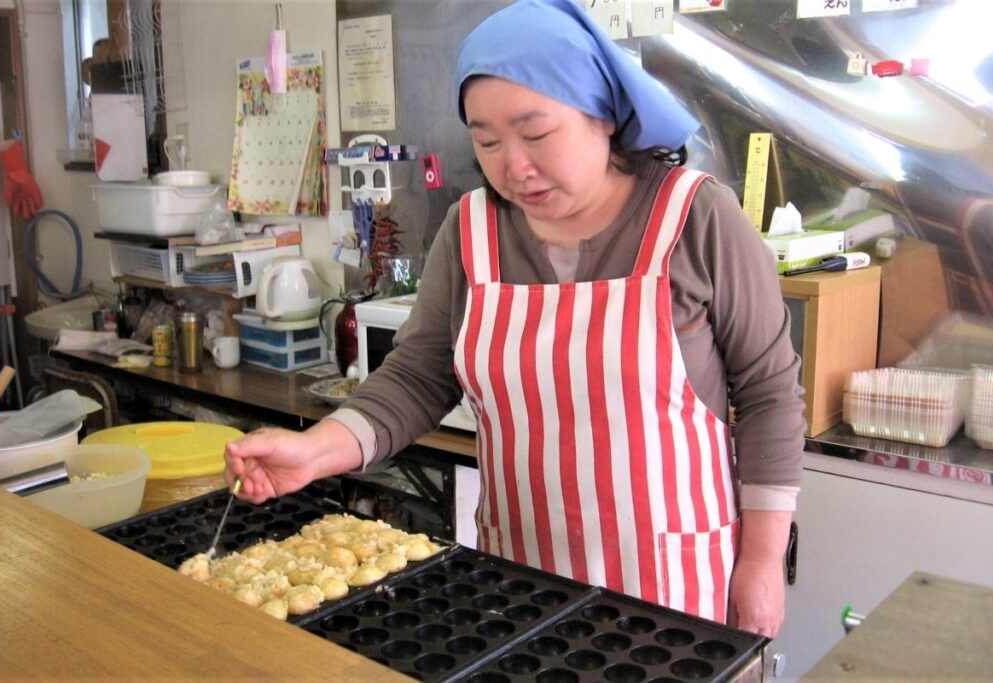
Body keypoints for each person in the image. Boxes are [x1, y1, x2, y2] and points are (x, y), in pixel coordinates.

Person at [226, 0, 805, 637]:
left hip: (675, 580)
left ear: (603, 113)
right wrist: (313, 451)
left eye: (536, 134)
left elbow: (769, 394)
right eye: (487, 142)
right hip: (521, 581)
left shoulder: (696, 218)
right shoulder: (471, 230)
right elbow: (418, 377)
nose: (515, 167)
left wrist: (761, 561)